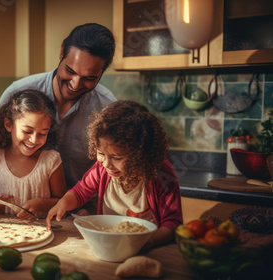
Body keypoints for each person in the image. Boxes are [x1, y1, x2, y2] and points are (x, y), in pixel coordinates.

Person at [0, 23, 117, 213]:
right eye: (70, 71)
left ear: (102, 72)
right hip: (19, 216)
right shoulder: (16, 94)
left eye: (89, 78)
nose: (76, 84)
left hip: (87, 213)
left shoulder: (108, 109)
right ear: (61, 52)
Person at [46, 100, 183, 250]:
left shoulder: (162, 174)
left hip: (147, 247)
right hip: (108, 243)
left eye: (117, 158)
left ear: (141, 154)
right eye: (100, 153)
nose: (106, 164)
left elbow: (172, 223)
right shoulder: (102, 167)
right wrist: (62, 204)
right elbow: (80, 192)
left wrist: (149, 241)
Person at [0, 90, 67, 220]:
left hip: (42, 231)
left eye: (43, 133)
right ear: (8, 125)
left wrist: (40, 204)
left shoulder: (51, 161)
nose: (34, 140)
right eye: (28, 131)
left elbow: (63, 202)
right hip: (5, 233)